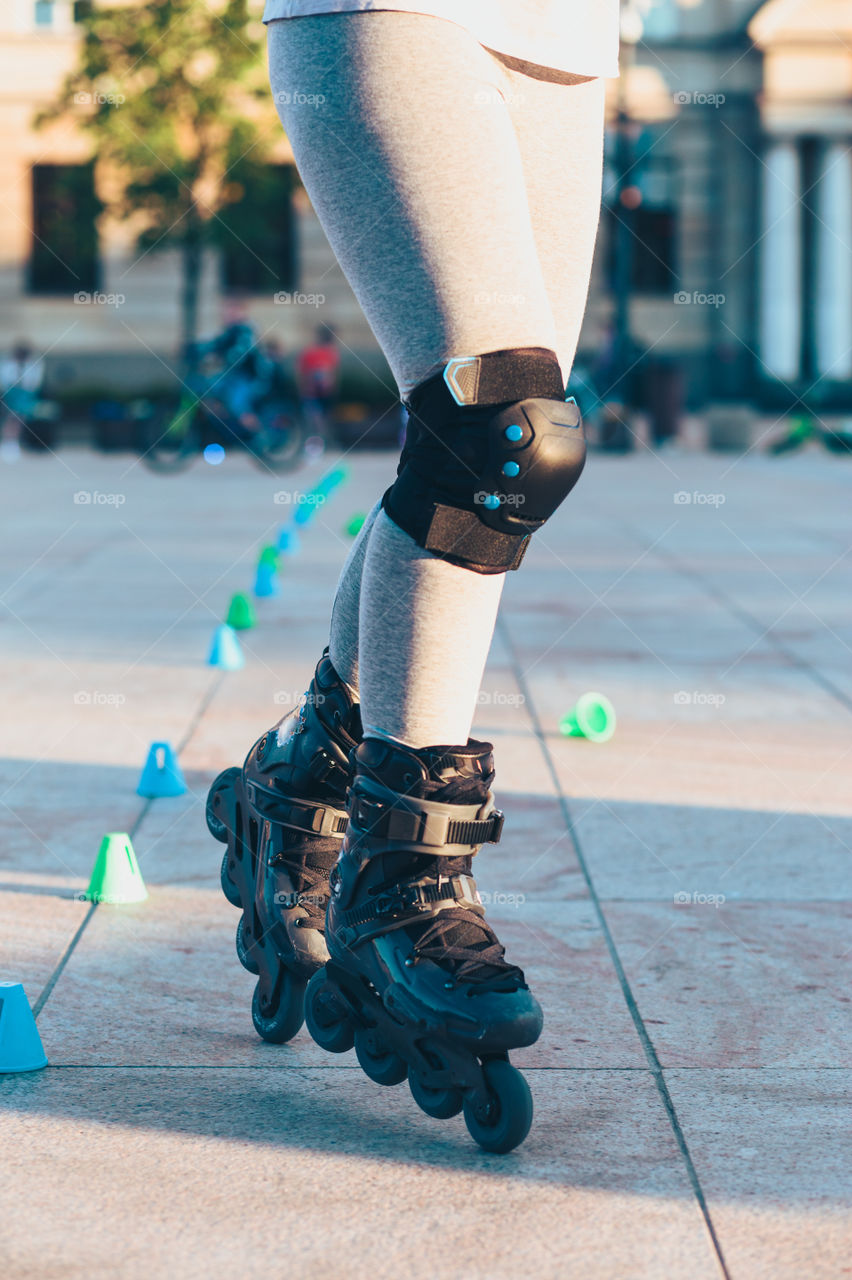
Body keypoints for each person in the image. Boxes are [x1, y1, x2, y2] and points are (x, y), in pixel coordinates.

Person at [208, 3, 619, 1152]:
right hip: (392, 17)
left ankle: (301, 785)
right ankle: (401, 877)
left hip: (564, 35)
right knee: (497, 431)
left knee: (491, 469)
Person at [195, 297, 272, 429]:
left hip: (250, 377)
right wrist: (191, 349)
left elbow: (242, 351)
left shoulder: (246, 331)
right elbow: (213, 344)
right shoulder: (229, 332)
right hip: (233, 375)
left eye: (232, 311)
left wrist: (228, 357)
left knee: (237, 404)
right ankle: (224, 427)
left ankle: (259, 436)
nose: (227, 315)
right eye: (226, 312)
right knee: (207, 388)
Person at [296, 324, 340, 436]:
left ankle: (322, 439)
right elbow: (304, 372)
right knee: (317, 417)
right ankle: (319, 438)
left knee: (320, 417)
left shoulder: (330, 352)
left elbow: (332, 373)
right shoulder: (314, 352)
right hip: (313, 392)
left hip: (322, 392)